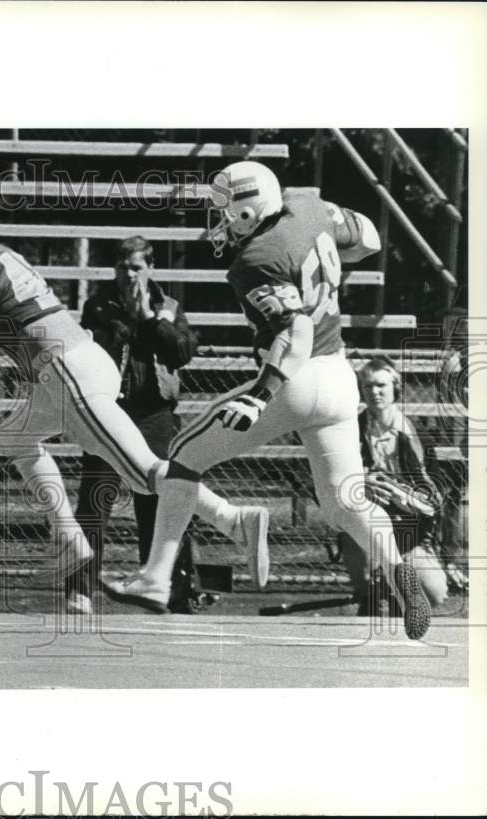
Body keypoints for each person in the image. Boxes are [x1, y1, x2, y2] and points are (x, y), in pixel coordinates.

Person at [105, 161, 433, 640]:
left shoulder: (255, 259)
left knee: (181, 459)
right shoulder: (308, 206)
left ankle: (155, 578)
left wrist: (262, 395)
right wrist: (322, 267)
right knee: (344, 500)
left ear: (246, 209)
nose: (217, 221)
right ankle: (399, 570)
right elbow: (368, 240)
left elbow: (295, 331)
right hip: (340, 378)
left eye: (222, 211)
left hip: (294, 380)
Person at [0, 207, 269, 604]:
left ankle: (234, 519)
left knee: (143, 473)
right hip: (72, 364)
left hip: (64, 372)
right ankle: (69, 537)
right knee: (14, 436)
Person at [67, 236, 250, 615]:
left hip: (153, 414)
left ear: (149, 268)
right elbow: (86, 351)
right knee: (95, 499)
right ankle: (81, 589)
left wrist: (149, 319)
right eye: (122, 267)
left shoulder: (168, 306)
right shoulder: (98, 305)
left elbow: (181, 352)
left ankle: (172, 588)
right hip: (109, 410)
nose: (129, 275)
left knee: (162, 501)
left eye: (136, 267)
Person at [339, 356, 448, 614]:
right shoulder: (350, 431)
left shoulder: (414, 432)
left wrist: (407, 498)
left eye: (381, 385)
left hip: (408, 530)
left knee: (434, 593)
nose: (374, 392)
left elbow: (434, 495)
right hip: (365, 525)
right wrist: (360, 482)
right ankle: (370, 595)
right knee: (369, 592)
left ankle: (394, 589)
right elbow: (330, 483)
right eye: (367, 386)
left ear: (396, 387)